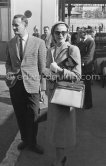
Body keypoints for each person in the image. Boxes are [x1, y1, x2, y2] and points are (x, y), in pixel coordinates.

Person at [5, 14, 46, 154]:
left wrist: (43, 89)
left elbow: (42, 67)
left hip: (33, 85)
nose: (14, 27)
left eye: (16, 25)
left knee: (33, 115)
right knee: (20, 113)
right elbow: (8, 63)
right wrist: (10, 73)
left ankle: (33, 142)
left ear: (25, 24)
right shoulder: (10, 43)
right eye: (13, 25)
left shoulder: (39, 42)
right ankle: (24, 139)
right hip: (15, 85)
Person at [43, 22, 81, 166]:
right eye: (57, 32)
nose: (60, 35)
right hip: (53, 95)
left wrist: (58, 70)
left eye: (63, 32)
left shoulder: (72, 49)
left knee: (62, 130)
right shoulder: (50, 50)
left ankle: (60, 160)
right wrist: (47, 73)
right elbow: (47, 70)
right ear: (52, 34)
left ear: (68, 34)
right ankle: (60, 157)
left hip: (65, 95)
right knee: (55, 128)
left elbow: (77, 76)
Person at [78, 28, 95, 109]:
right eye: (81, 32)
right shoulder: (81, 42)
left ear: (87, 33)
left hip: (87, 67)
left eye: (84, 32)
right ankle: (81, 102)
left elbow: (90, 55)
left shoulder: (91, 42)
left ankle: (88, 104)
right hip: (80, 67)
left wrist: (81, 62)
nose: (82, 34)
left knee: (87, 86)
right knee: (81, 85)